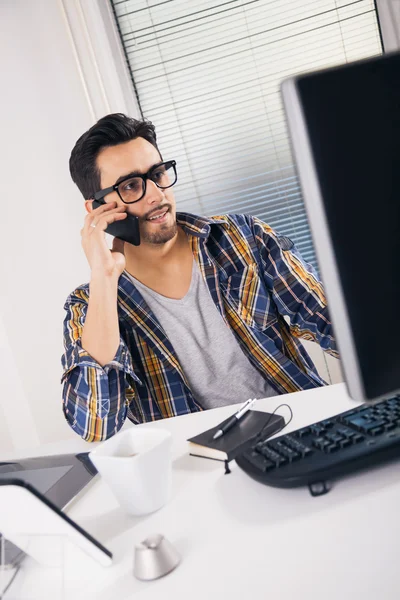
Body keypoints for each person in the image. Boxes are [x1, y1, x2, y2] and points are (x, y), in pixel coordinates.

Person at [62, 113, 338, 442]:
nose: (156, 194)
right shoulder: (89, 306)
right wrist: (104, 279)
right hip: (201, 470)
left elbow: (332, 322)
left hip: (303, 432)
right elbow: (95, 426)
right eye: (131, 186)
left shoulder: (241, 239)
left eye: (158, 173)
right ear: (97, 209)